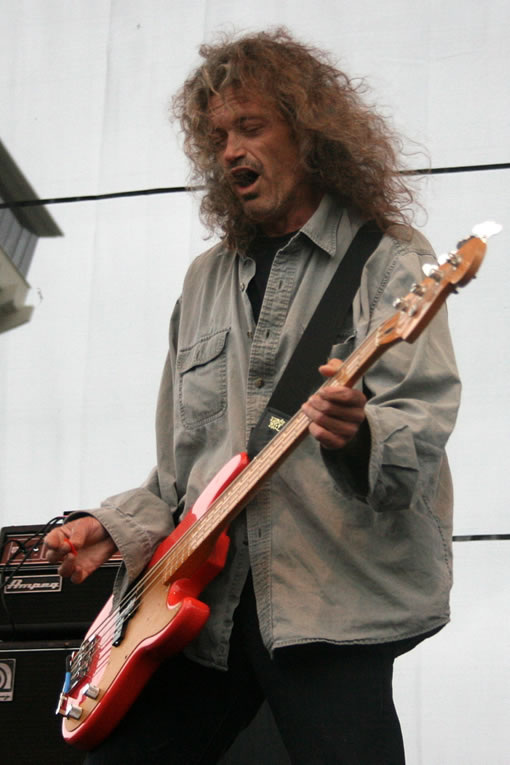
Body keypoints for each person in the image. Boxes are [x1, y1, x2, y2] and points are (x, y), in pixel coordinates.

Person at [43, 28, 460, 765]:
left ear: (309, 132)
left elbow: (419, 432)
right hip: (203, 610)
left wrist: (357, 434)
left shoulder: (390, 258)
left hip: (330, 603)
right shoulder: (204, 280)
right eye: (218, 136)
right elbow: (181, 477)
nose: (231, 149)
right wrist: (111, 526)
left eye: (251, 126)